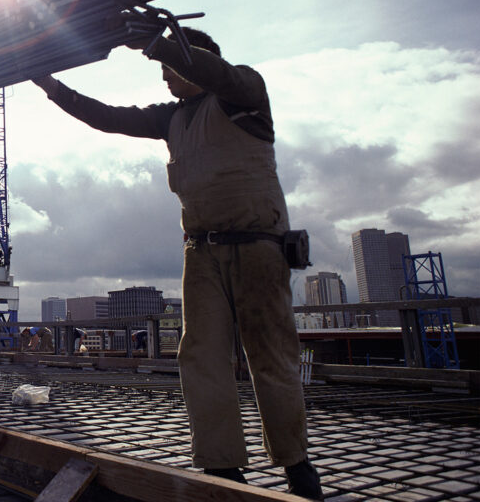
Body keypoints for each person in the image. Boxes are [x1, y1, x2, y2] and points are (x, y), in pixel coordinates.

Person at [32, 26, 322, 499]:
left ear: (195, 59)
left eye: (171, 68)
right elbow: (107, 117)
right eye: (163, 70)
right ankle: (222, 466)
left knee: (271, 357)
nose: (165, 78)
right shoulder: (173, 119)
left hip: (257, 247)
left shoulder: (243, 92)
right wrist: (52, 86)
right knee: (201, 357)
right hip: (201, 252)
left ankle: (296, 465)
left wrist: (155, 44)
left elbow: (215, 72)